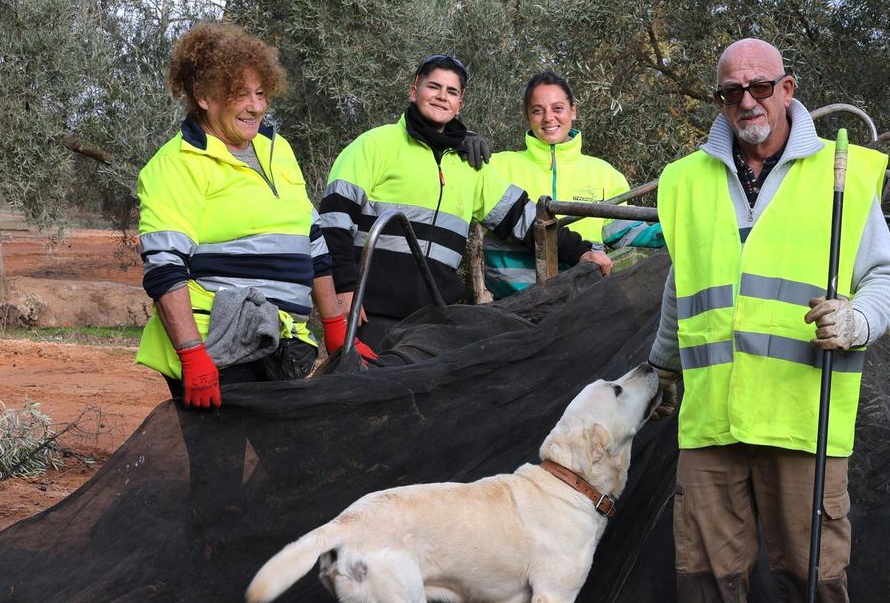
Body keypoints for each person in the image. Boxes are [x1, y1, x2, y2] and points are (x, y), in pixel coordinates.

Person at [647, 39, 890, 603]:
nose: (748, 102)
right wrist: (663, 368)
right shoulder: (687, 181)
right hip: (711, 421)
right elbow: (681, 290)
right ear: (720, 100)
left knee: (812, 580)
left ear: (788, 87)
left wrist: (857, 320)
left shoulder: (842, 177)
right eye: (732, 92)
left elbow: (886, 279)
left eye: (761, 87)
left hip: (802, 419)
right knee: (706, 580)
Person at [317, 57, 609, 349]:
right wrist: (343, 289)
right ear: (413, 90)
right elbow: (333, 222)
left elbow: (524, 219)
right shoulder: (374, 145)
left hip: (434, 322)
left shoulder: (470, 165)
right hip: (369, 315)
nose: (442, 96)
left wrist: (583, 251)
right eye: (434, 87)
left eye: (452, 91)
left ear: (460, 103)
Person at [135, 22, 346, 407]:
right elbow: (164, 268)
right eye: (239, 94)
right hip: (217, 346)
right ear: (203, 97)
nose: (257, 106)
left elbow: (311, 241)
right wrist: (192, 355)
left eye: (261, 92)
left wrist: (335, 325)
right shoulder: (177, 165)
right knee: (223, 465)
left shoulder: (276, 149)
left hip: (280, 340)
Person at [484, 72, 665, 300]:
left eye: (557, 108)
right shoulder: (498, 166)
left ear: (573, 111)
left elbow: (625, 233)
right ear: (527, 115)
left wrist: (670, 231)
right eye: (538, 110)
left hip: (582, 307)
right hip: (512, 306)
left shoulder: (604, 174)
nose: (548, 118)